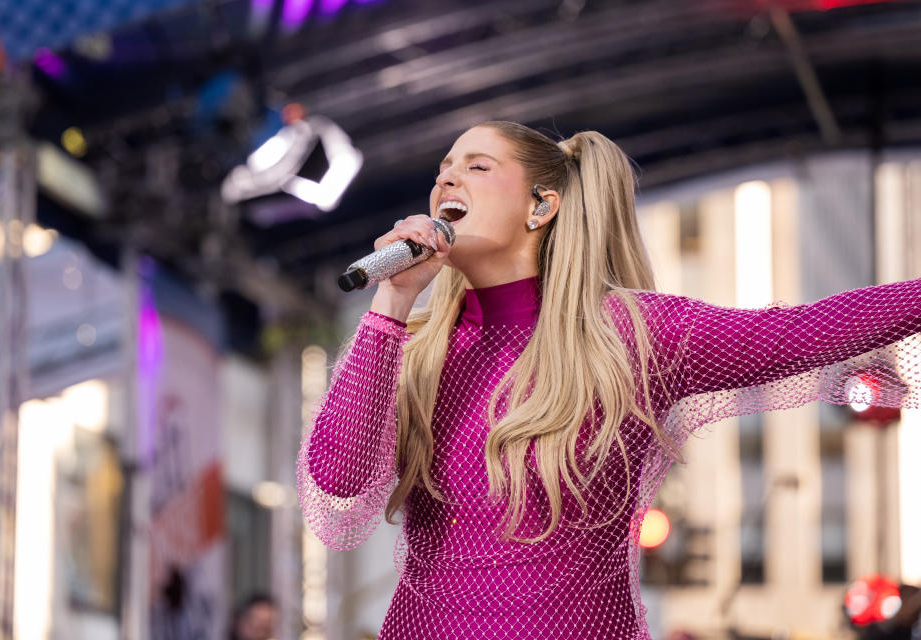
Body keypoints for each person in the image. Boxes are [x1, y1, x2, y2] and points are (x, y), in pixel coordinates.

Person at [297, 121, 921, 639]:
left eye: (477, 166)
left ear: (542, 206)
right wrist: (392, 303)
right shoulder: (412, 349)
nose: (446, 178)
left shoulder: (633, 335)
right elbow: (338, 480)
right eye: (443, 168)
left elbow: (804, 331)